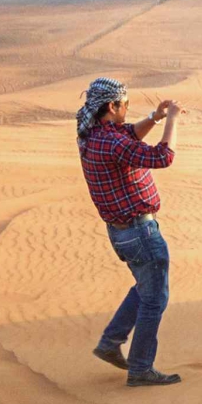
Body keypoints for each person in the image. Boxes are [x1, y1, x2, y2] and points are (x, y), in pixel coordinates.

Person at [76, 77, 184, 387]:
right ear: (111, 106)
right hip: (140, 233)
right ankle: (140, 368)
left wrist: (155, 116)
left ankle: (111, 342)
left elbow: (127, 133)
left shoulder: (93, 134)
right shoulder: (112, 143)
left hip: (122, 233)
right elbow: (163, 157)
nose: (127, 109)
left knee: (145, 288)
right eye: (125, 104)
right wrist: (173, 119)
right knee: (155, 299)